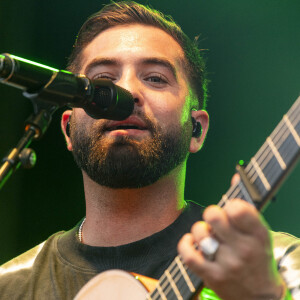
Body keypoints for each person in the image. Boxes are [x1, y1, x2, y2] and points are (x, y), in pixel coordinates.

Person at [0, 1, 299, 299]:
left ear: (196, 129)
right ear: (68, 130)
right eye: (102, 81)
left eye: (155, 78)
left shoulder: (281, 263)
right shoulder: (11, 286)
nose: (127, 93)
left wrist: (265, 294)